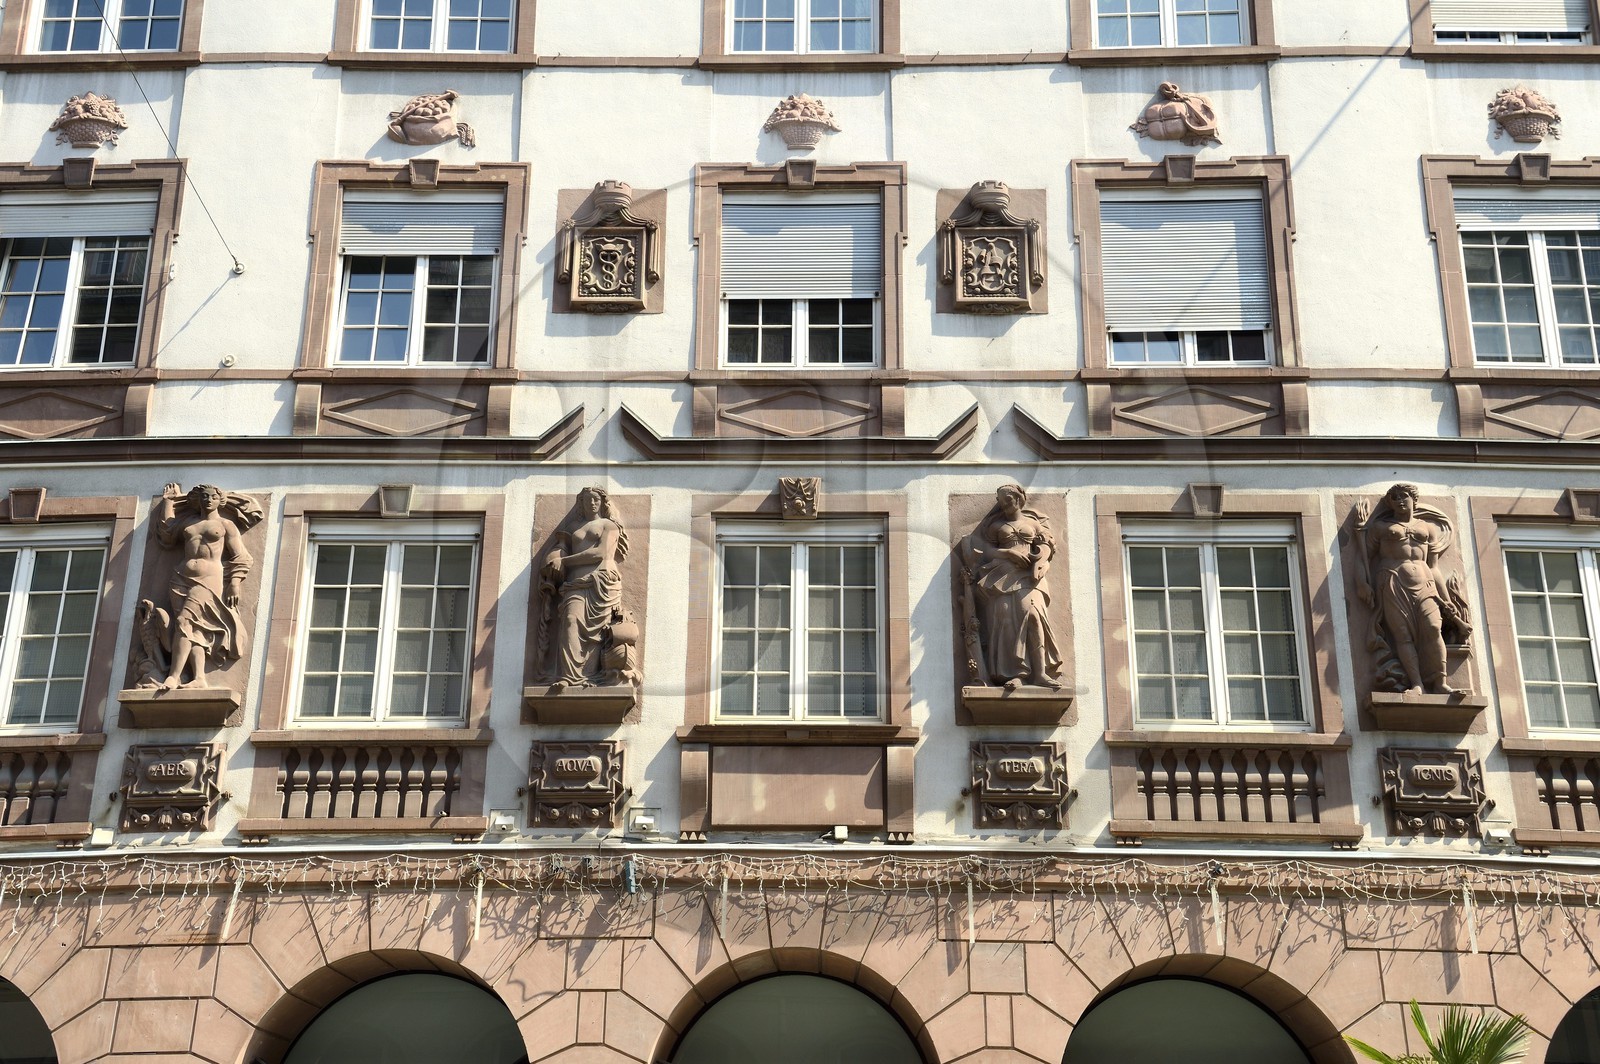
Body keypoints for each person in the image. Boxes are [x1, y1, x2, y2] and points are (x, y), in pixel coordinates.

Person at [1354, 483, 1470, 695]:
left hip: (1425, 583)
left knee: (1434, 628)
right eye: (1394, 497)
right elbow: (1363, 558)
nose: (1399, 500)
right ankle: (1417, 683)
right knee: (1402, 635)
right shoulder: (1381, 527)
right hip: (1392, 582)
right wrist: (1362, 583)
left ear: (1414, 500)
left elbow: (1433, 567)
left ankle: (1440, 682)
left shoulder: (1427, 528)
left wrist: (1446, 600)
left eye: (1404, 496)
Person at [147, 483, 256, 690]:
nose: (208, 500)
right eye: (204, 496)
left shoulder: (225, 525)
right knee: (192, 629)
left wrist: (234, 583)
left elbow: (241, 556)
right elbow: (167, 535)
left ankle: (173, 676)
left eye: (212, 496)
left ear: (219, 500)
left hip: (208, 579)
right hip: (180, 578)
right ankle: (199, 679)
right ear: (198, 499)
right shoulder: (189, 523)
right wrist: (169, 502)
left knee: (183, 620)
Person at [960, 484, 1064, 690]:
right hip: (1002, 576)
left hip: (1029, 576)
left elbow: (1047, 543)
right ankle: (1015, 674)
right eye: (1000, 500)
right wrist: (1008, 553)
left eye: (1007, 499)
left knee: (1033, 615)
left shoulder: (1033, 523)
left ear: (1018, 499)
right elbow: (986, 550)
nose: (1004, 503)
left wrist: (1040, 559)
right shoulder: (996, 527)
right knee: (1006, 621)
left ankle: (1040, 672)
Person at [538, 487, 628, 689]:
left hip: (602, 582)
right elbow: (560, 550)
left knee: (599, 630)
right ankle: (569, 677)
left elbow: (601, 553)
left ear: (602, 502)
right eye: (588, 500)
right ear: (582, 503)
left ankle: (594, 676)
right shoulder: (572, 527)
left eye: (596, 499)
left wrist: (565, 561)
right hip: (575, 584)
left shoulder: (609, 525)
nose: (592, 503)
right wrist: (554, 559)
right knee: (570, 620)